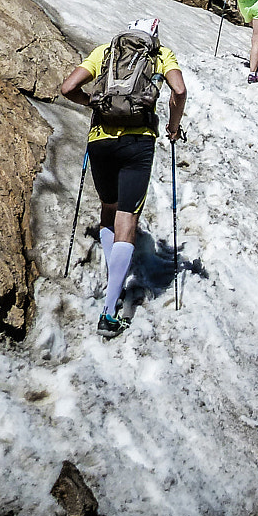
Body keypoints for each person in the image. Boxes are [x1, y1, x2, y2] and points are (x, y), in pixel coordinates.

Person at [59, 18, 185, 338]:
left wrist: (91, 104)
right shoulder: (160, 55)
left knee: (108, 209)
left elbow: (67, 87)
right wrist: (172, 125)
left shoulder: (105, 52)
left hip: (100, 141)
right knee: (127, 219)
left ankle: (110, 275)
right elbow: (179, 91)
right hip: (137, 142)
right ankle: (110, 308)